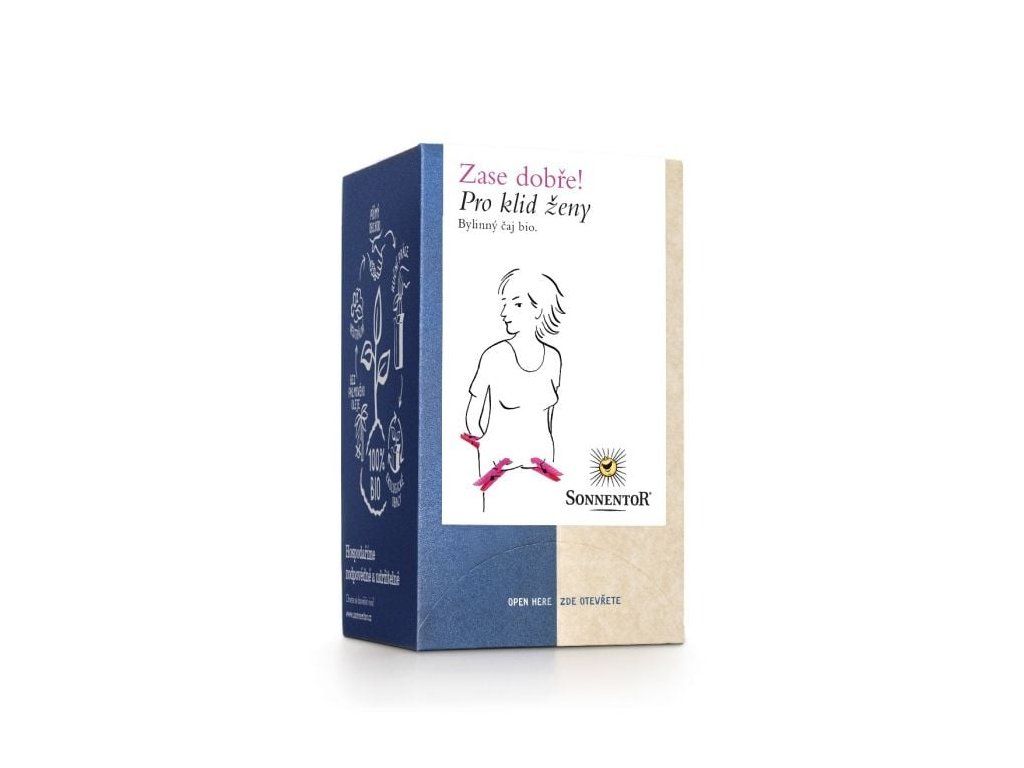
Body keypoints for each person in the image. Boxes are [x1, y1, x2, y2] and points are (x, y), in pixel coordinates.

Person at [464, 268, 566, 482]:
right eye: (505, 304)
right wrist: (491, 454)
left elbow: (549, 418)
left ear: (539, 310)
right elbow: (473, 417)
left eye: (517, 304)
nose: (504, 313)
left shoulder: (553, 358)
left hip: (543, 472)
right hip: (499, 474)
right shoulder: (494, 356)